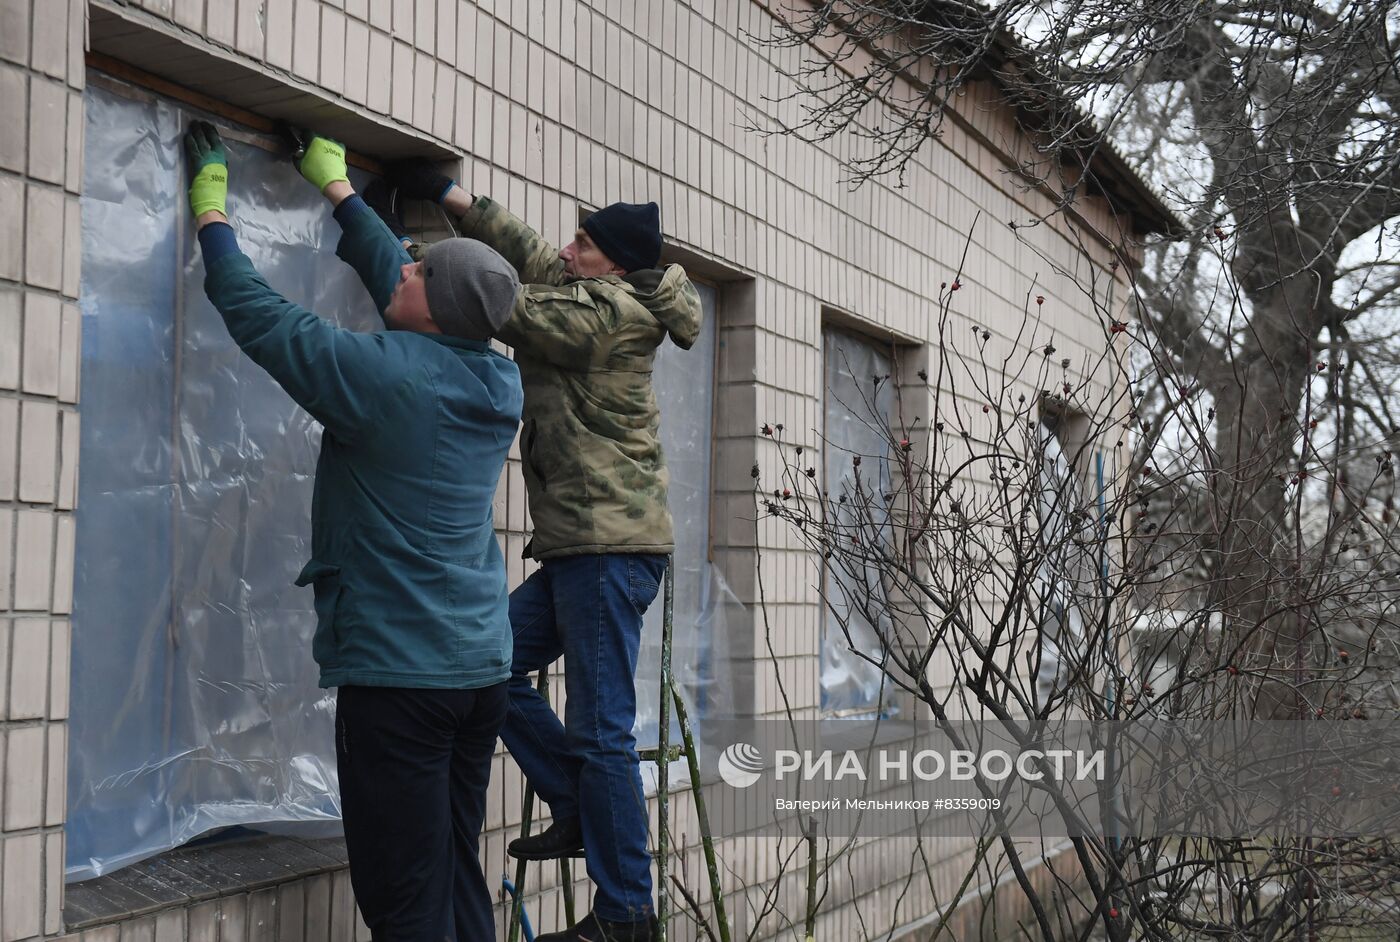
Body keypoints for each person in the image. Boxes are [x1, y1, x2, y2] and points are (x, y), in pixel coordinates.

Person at [183, 122, 524, 941]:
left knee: (404, 901)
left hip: (403, 679)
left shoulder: (386, 381)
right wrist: (336, 190)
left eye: (420, 266)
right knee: (450, 869)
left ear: (434, 305)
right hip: (477, 670)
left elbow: (260, 317)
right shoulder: (495, 377)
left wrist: (210, 208)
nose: (405, 265)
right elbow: (416, 289)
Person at [384, 160, 702, 942]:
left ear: (614, 263)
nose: (568, 248)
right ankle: (572, 800)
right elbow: (529, 256)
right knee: (485, 662)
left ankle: (627, 913)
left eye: (584, 244)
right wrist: (452, 197)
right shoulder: (592, 287)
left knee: (601, 729)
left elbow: (514, 308)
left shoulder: (612, 315)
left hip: (609, 547)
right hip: (579, 548)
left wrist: (417, 266)